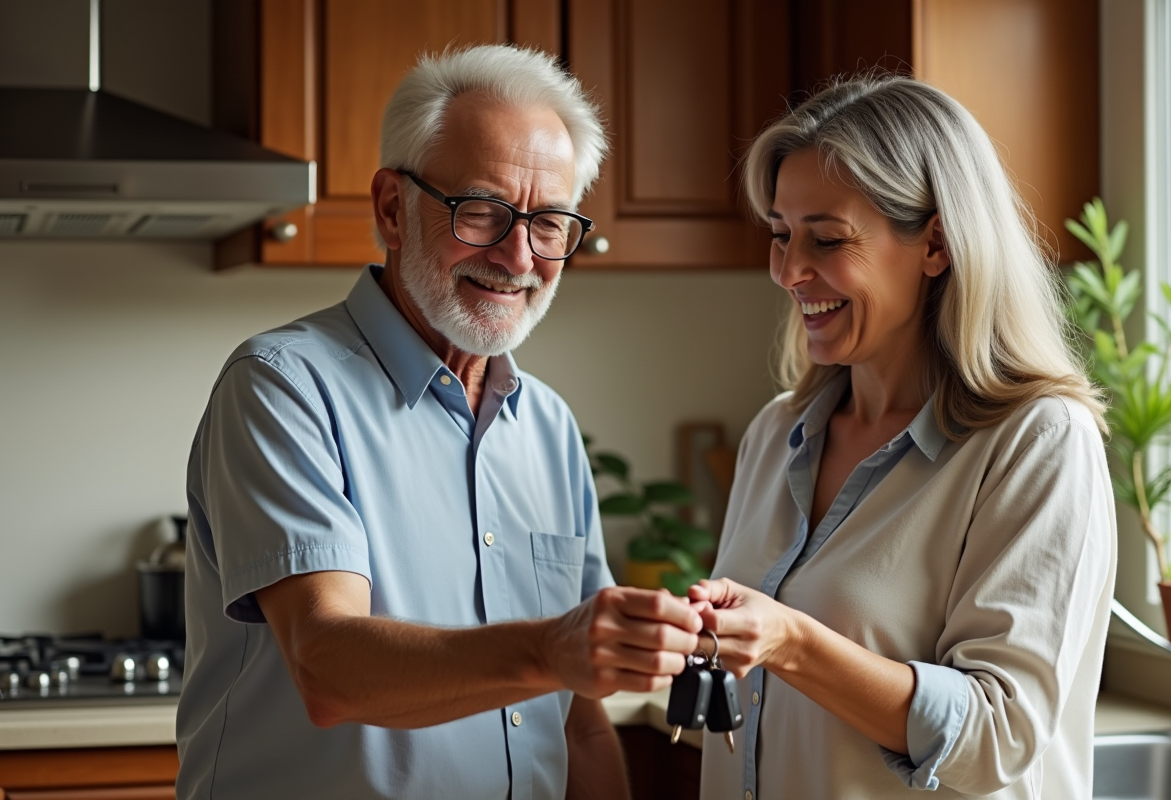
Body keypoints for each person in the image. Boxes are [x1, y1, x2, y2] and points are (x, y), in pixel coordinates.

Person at [176, 45, 702, 800]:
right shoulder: (283, 387)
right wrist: (552, 648)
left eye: (550, 223)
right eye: (482, 211)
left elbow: (579, 722)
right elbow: (328, 667)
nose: (518, 256)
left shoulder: (547, 427)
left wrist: (571, 660)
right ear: (393, 207)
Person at [689, 75, 1117, 800]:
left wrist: (793, 642)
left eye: (826, 238)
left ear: (937, 245)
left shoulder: (1037, 444)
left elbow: (997, 738)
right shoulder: (777, 433)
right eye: (781, 235)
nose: (790, 271)